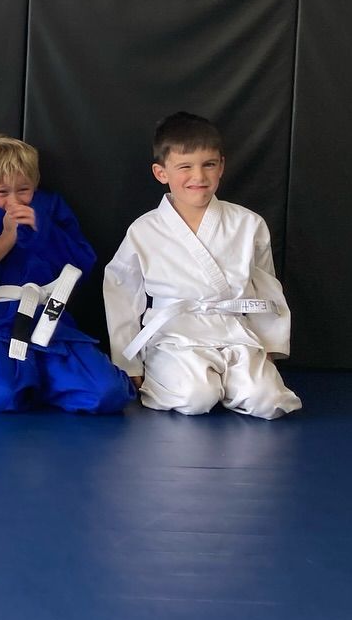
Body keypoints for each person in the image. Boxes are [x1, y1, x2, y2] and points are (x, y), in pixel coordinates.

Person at [103, 112, 301, 419]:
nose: (199, 177)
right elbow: (121, 293)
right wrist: (128, 362)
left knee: (268, 401)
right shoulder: (144, 230)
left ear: (221, 166)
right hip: (175, 335)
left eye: (208, 164)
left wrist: (271, 345)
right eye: (185, 167)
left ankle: (237, 379)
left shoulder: (248, 224)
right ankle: (198, 380)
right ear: (161, 172)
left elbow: (266, 288)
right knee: (196, 398)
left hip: (235, 331)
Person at [0, 134, 133, 413]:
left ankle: (39, 381)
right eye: (2, 193)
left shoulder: (50, 209)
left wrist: (42, 230)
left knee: (108, 393)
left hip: (52, 318)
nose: (14, 201)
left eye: (23, 190)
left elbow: (83, 263)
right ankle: (25, 381)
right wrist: (5, 239)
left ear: (35, 184)